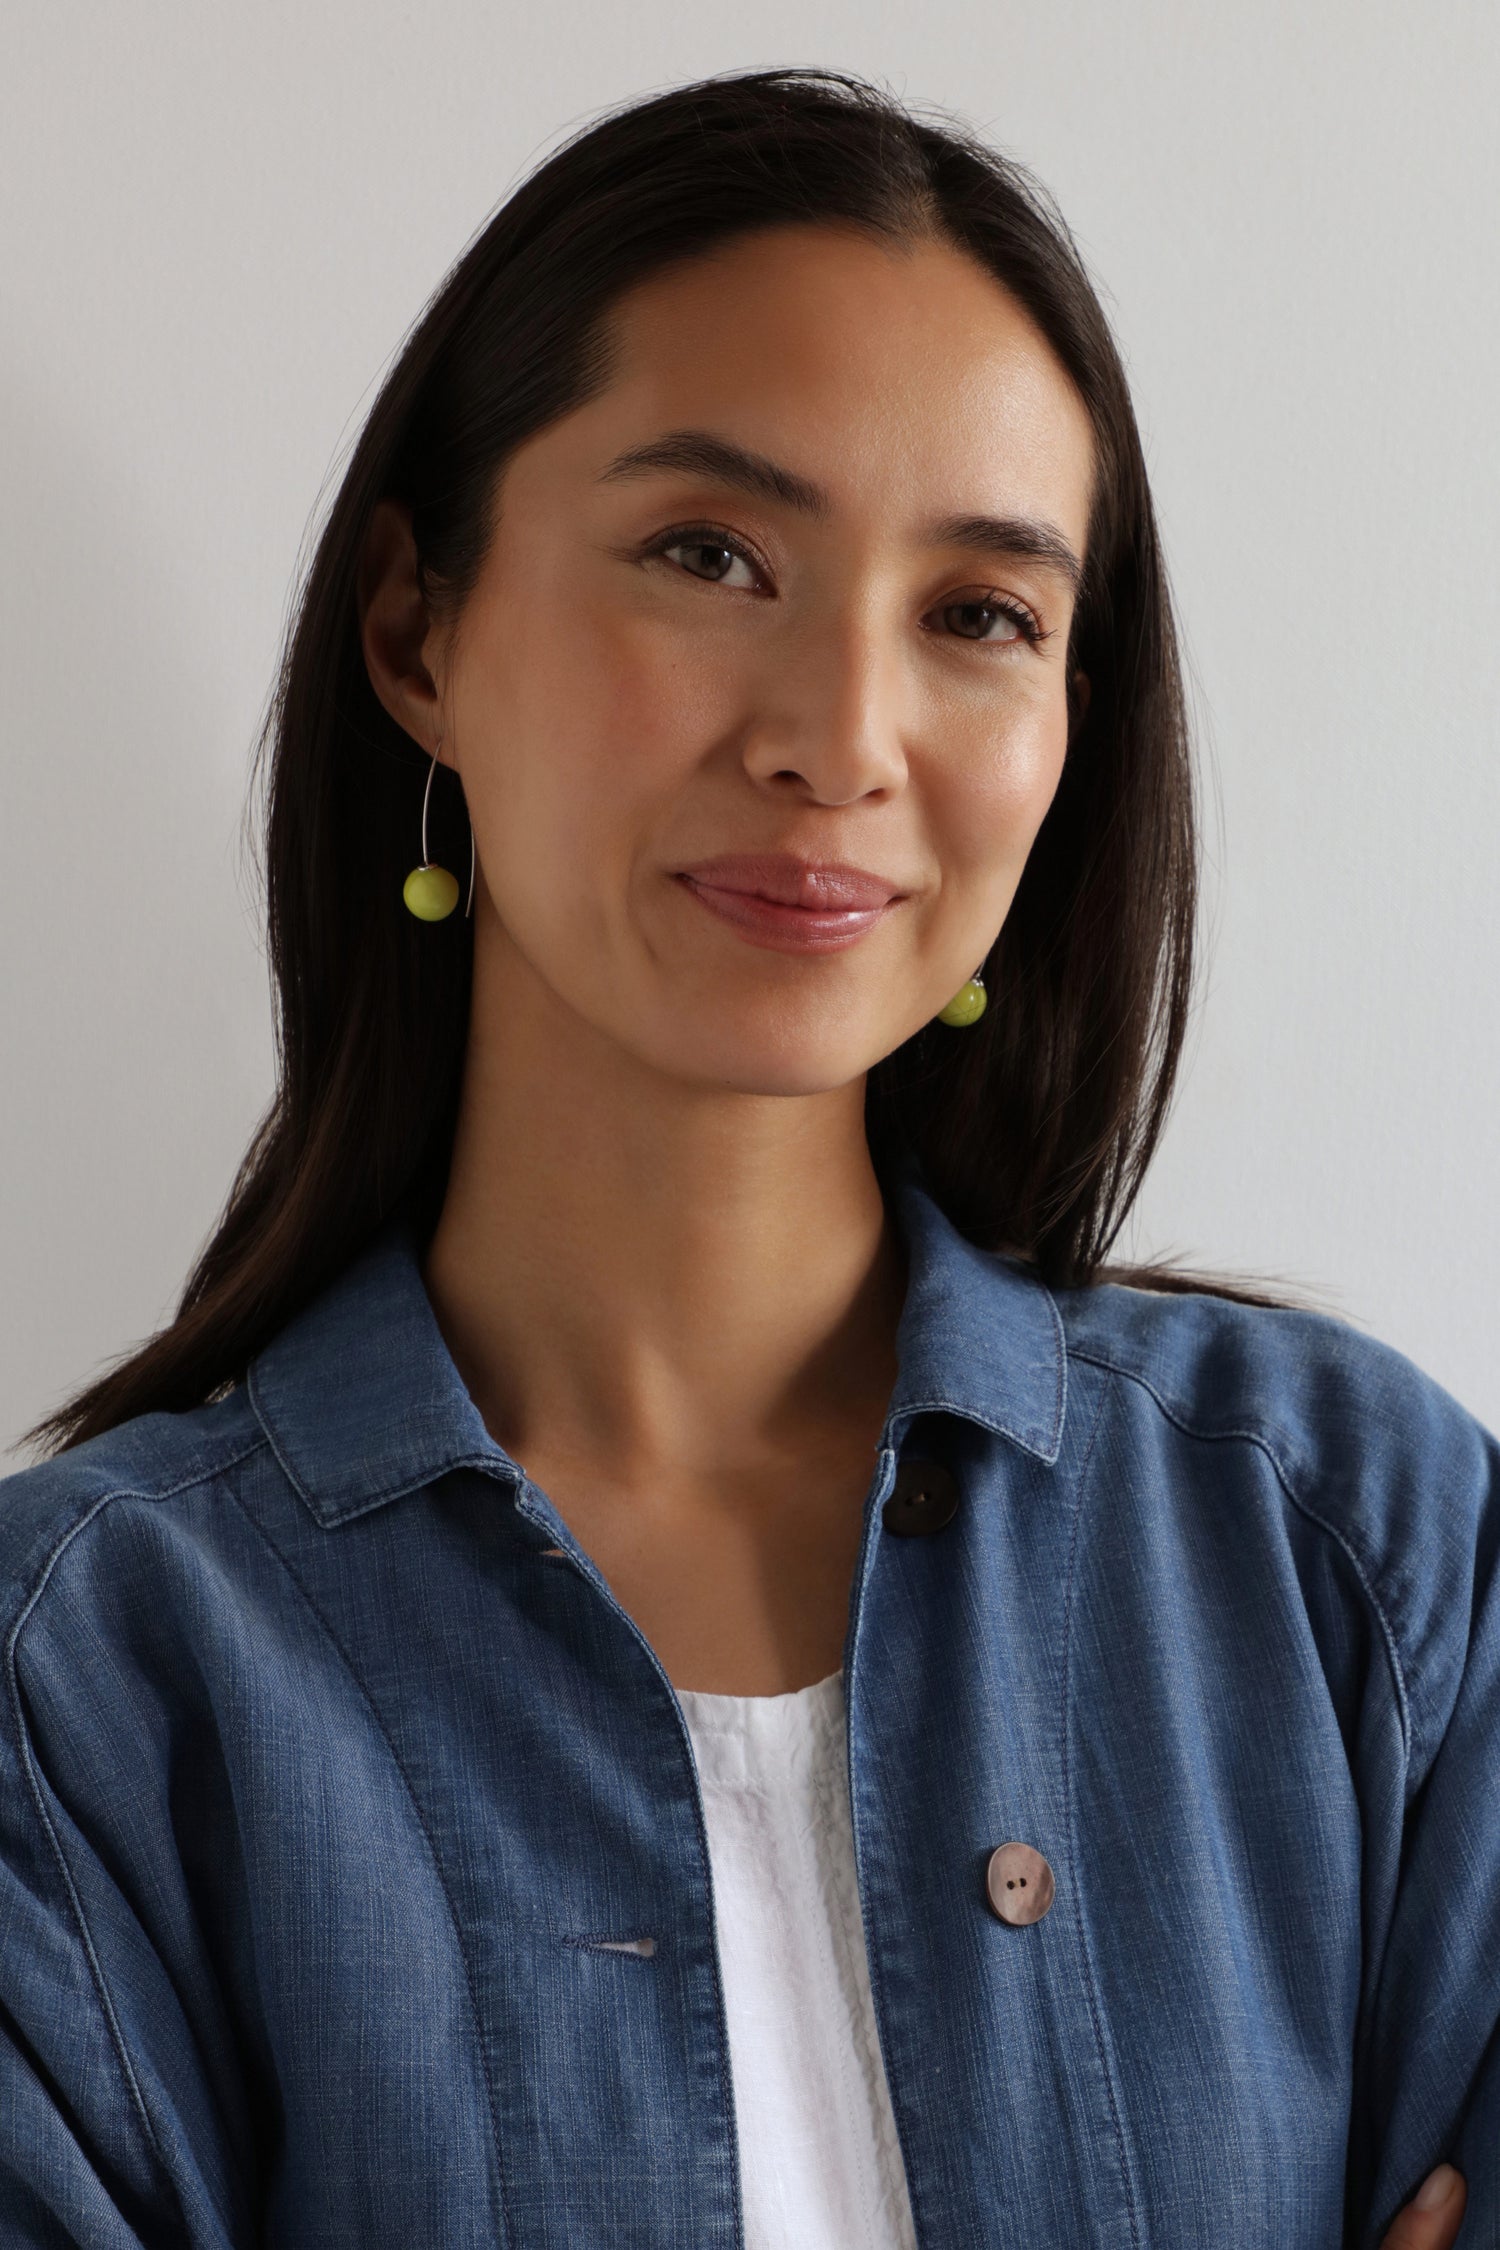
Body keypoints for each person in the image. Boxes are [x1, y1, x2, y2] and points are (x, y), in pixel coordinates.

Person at [0, 64, 1491, 2250]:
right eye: (714, 555)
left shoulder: (1361, 1548)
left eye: (980, 613)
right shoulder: (82, 1687)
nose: (838, 740)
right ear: (419, 628)